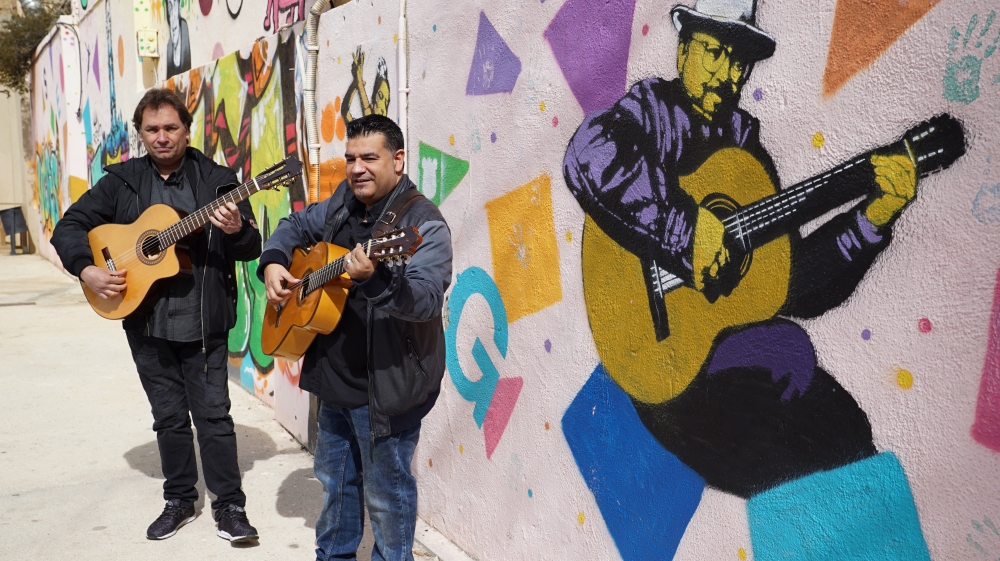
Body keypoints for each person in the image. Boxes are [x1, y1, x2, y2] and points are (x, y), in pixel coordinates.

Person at [563, 0, 921, 537]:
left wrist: (872, 218)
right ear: (683, 45)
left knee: (845, 428)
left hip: (733, 350)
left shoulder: (747, 152)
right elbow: (586, 156)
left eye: (740, 62)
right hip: (667, 364)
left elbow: (789, 284)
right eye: (713, 53)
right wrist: (686, 229)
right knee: (792, 452)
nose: (727, 74)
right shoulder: (650, 114)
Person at [51, 88, 261, 543]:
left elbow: (252, 248)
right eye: (152, 129)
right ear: (141, 134)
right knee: (167, 416)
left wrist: (238, 229)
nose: (162, 137)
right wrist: (88, 270)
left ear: (187, 130)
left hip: (204, 321)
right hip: (146, 322)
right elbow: (69, 225)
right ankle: (180, 499)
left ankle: (229, 508)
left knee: (214, 417)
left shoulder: (219, 179)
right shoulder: (121, 182)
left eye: (171, 128)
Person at [259, 114, 452, 561]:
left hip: (386, 388)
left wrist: (376, 280)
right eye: (350, 158)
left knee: (387, 498)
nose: (357, 168)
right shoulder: (345, 201)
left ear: (398, 160)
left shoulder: (423, 224)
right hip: (334, 379)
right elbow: (295, 225)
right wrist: (273, 261)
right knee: (335, 486)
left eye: (369, 157)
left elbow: (424, 300)